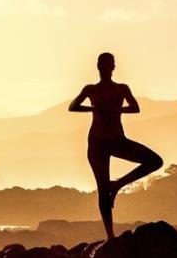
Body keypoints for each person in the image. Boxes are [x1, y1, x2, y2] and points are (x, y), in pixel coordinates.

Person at [70, 51, 164, 238]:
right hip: (97, 143)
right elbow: (73, 106)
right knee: (102, 189)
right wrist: (95, 108)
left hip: (117, 140)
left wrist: (116, 109)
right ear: (98, 67)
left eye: (108, 64)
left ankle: (118, 185)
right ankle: (110, 236)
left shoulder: (121, 88)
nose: (105, 68)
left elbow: (135, 108)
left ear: (113, 67)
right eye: (102, 64)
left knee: (155, 161)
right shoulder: (91, 89)